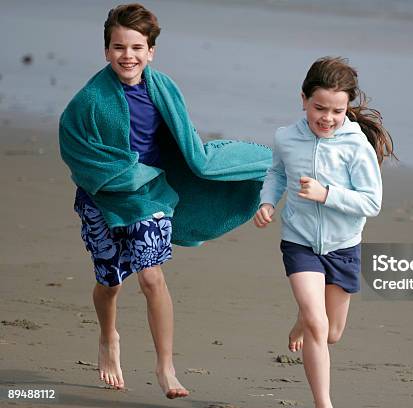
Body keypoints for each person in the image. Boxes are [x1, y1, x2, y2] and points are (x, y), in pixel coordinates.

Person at [59, 3, 270, 399]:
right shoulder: (89, 100)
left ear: (151, 51)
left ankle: (166, 366)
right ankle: (108, 338)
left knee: (152, 276)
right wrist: (119, 173)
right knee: (109, 282)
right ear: (106, 51)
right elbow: (74, 145)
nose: (128, 55)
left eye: (137, 47)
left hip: (153, 193)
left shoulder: (164, 88)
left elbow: (186, 141)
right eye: (119, 47)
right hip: (104, 197)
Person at [254, 56, 394, 408]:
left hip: (343, 246)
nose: (327, 118)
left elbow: (371, 203)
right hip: (300, 242)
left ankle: (304, 316)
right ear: (303, 99)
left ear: (347, 107)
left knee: (331, 333)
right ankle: (323, 403)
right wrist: (267, 202)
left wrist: (326, 194)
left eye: (337, 111)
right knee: (319, 325)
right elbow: (276, 174)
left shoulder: (356, 145)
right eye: (319, 108)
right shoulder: (286, 137)